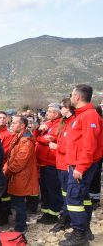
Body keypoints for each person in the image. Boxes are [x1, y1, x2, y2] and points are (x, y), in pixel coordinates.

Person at [59, 84, 102, 246]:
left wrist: (81, 167)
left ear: (77, 97)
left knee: (74, 199)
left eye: (71, 95)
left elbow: (89, 145)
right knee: (82, 199)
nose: (70, 98)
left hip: (81, 167)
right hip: (76, 166)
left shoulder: (89, 116)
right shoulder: (81, 115)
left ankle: (79, 236)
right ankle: (83, 231)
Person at [3, 115, 39, 232]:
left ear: (22, 125)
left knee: (19, 203)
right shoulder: (19, 137)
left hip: (21, 176)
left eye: (14, 123)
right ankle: (20, 225)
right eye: (12, 123)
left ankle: (20, 227)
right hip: (17, 175)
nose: (11, 125)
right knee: (17, 202)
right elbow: (11, 157)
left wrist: (8, 171)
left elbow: (19, 161)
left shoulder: (25, 141)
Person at [49, 98, 76, 233]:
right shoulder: (64, 124)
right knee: (65, 193)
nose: (60, 109)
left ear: (68, 108)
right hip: (60, 164)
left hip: (66, 165)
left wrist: (56, 146)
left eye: (62, 107)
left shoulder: (72, 124)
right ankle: (66, 218)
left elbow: (71, 148)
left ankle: (66, 220)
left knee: (67, 194)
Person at [35, 103, 63, 224]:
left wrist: (40, 137)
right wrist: (39, 131)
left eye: (50, 111)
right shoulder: (48, 123)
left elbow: (47, 139)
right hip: (42, 162)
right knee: (45, 190)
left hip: (51, 163)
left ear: (56, 113)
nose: (47, 113)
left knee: (53, 189)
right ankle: (46, 213)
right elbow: (36, 135)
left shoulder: (59, 124)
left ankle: (53, 214)